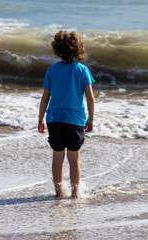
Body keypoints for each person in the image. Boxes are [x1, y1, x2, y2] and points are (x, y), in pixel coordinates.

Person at [38, 30, 95, 198]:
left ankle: (58, 193)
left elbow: (45, 97)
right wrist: (91, 118)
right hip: (75, 119)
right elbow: (90, 97)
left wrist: (40, 118)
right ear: (78, 49)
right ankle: (75, 194)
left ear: (58, 49)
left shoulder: (52, 70)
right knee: (74, 158)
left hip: (54, 118)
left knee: (57, 157)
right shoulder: (82, 70)